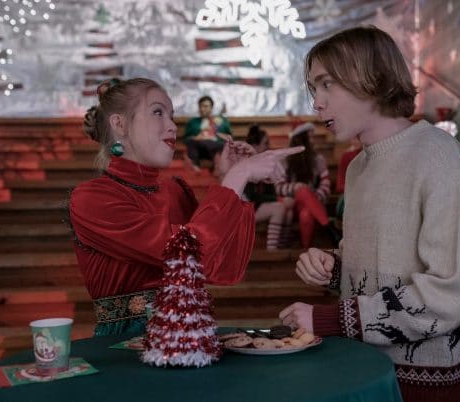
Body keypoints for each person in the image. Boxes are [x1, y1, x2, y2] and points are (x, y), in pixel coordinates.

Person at [278, 26, 460, 402]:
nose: (317, 103)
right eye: (313, 88)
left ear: (369, 78)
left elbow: (450, 292)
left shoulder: (439, 155)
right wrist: (334, 267)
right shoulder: (358, 166)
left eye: (326, 84)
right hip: (359, 365)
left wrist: (332, 319)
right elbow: (381, 263)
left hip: (419, 382)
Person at [69, 78, 302, 336]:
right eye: (158, 112)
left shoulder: (174, 190)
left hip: (192, 336)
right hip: (127, 344)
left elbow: (222, 267)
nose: (172, 126)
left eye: (172, 115)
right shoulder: (91, 198)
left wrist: (234, 178)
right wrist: (238, 176)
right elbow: (187, 250)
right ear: (119, 124)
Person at [275, 122, 338, 248]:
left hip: (310, 204)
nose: (313, 141)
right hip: (289, 203)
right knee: (302, 190)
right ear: (300, 140)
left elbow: (325, 185)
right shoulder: (285, 160)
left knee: (307, 214)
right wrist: (297, 187)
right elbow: (278, 188)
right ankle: (328, 226)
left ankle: (305, 248)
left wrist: (313, 197)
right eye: (310, 137)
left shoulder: (318, 160)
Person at [244, 125, 294, 250]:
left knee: (289, 212)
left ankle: (282, 249)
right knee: (279, 208)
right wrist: (278, 200)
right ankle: (272, 250)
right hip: (247, 207)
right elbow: (252, 196)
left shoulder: (266, 163)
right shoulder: (246, 164)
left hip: (259, 204)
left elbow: (270, 189)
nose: (268, 146)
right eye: (265, 143)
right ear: (255, 146)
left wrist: (280, 199)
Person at [183, 95, 231, 173]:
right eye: (200, 106)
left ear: (211, 108)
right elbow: (186, 139)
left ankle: (211, 162)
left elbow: (229, 138)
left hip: (218, 146)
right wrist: (196, 138)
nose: (202, 109)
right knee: (191, 141)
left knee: (222, 146)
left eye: (205, 106)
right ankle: (197, 165)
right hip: (201, 150)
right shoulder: (193, 122)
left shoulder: (221, 121)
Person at [334, 136, 362, 227]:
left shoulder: (371, 155)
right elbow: (340, 184)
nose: (356, 140)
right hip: (348, 195)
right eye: (354, 138)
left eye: (358, 138)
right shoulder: (346, 156)